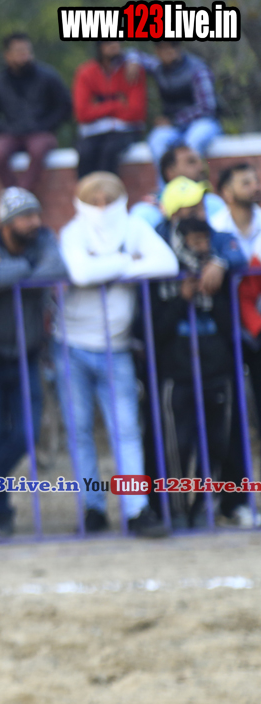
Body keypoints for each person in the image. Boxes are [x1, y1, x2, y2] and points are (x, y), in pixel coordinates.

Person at [56, 172, 175, 536]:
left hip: (118, 347)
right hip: (71, 346)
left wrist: (107, 264)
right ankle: (92, 507)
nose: (101, 206)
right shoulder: (73, 232)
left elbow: (167, 263)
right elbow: (80, 272)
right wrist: (127, 261)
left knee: (126, 431)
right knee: (79, 432)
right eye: (93, 200)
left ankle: (136, 509)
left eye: (108, 199)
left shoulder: (135, 227)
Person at [0, 188, 67, 534]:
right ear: (7, 222)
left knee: (26, 434)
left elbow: (56, 268)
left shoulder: (44, 239)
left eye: (37, 214)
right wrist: (25, 268)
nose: (35, 222)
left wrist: (11, 272)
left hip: (27, 356)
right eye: (26, 217)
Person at [149, 216, 237, 527]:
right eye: (194, 241)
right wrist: (181, 299)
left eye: (205, 240)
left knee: (215, 443)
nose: (201, 247)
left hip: (216, 369)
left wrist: (211, 294)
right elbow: (155, 330)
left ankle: (205, 506)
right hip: (178, 372)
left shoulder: (219, 272)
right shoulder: (162, 273)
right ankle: (175, 509)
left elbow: (231, 327)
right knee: (177, 445)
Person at [0, 33, 72, 194]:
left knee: (38, 149)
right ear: (7, 55)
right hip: (11, 132)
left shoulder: (48, 76)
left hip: (41, 131)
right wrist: (5, 128)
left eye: (27, 50)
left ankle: (22, 193)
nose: (24, 55)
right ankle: (12, 193)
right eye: (19, 51)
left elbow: (65, 106)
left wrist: (46, 125)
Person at [126, 42, 221, 184]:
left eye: (172, 46)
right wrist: (132, 60)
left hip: (202, 122)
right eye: (162, 48)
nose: (168, 51)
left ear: (178, 48)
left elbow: (207, 107)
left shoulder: (197, 69)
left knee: (192, 143)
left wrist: (174, 120)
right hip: (174, 127)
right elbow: (134, 53)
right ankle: (165, 190)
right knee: (157, 140)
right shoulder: (158, 66)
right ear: (157, 51)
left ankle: (194, 188)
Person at [72, 41, 146, 179]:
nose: (114, 46)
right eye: (108, 42)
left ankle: (109, 191)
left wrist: (98, 107)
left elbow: (136, 112)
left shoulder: (133, 70)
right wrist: (116, 104)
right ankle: (86, 192)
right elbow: (82, 113)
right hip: (93, 131)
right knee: (85, 152)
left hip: (125, 130)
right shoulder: (86, 72)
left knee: (110, 150)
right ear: (99, 46)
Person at [130, 143, 226, 228]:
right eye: (191, 162)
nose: (201, 167)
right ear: (170, 171)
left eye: (201, 161)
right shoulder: (145, 213)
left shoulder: (213, 203)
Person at [209, 163, 261, 259]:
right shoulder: (216, 227)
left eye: (256, 182)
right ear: (227, 192)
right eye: (246, 183)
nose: (256, 188)